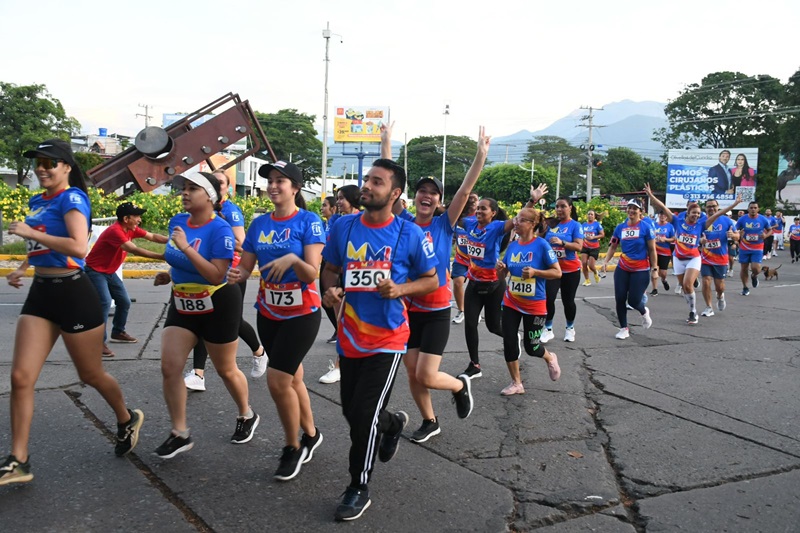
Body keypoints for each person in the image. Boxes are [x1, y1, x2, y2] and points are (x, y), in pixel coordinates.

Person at [1, 139, 143, 486]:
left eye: (50, 163)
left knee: (91, 374)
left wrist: (30, 231)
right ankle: (18, 460)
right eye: (38, 162)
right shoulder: (38, 200)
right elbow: (41, 243)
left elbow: (79, 246)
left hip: (73, 293)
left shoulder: (73, 198)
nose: (42, 169)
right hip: (41, 294)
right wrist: (22, 267)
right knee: (20, 378)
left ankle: (126, 419)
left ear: (65, 166)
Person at [321, 158, 438, 521]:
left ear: (395, 193)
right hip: (350, 335)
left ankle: (358, 486)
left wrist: (400, 288)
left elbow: (432, 280)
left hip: (388, 339)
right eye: (366, 179)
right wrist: (329, 292)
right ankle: (394, 423)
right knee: (352, 413)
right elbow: (330, 269)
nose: (366, 186)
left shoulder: (410, 234)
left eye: (377, 181)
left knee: (363, 416)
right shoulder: (343, 227)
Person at [385, 124, 483, 443]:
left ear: (439, 200)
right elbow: (388, 187)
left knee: (426, 373)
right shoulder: (403, 223)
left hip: (438, 309)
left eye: (433, 193)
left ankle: (458, 385)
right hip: (409, 309)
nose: (426, 195)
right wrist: (386, 143)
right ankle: (430, 421)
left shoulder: (443, 224)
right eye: (421, 191)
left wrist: (480, 155)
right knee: (412, 373)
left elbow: (466, 192)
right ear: (414, 197)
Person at [228, 161, 325, 481]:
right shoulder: (259, 225)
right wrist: (234, 274)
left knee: (278, 380)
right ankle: (311, 434)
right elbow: (245, 268)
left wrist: (293, 259)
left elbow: (312, 272)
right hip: (268, 312)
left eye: (280, 181)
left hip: (302, 314)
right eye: (269, 180)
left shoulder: (309, 222)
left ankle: (292, 446)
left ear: (295, 188)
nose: (272, 185)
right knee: (293, 378)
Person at [153, 172, 258, 459]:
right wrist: (170, 274)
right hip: (183, 301)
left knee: (225, 369)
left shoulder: (221, 230)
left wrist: (186, 246)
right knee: (170, 367)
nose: (185, 193)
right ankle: (179, 433)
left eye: (192, 189)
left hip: (218, 301)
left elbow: (214, 274)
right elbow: (176, 258)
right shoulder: (177, 222)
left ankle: (246, 414)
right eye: (183, 188)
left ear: (210, 196)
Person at [183, 169, 266, 392]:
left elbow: (241, 241)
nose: (217, 186)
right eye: (213, 182)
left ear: (227, 188)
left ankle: (259, 351)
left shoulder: (230, 211)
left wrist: (219, 229)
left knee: (233, 322)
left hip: (232, 272)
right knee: (204, 319)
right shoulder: (200, 211)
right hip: (206, 272)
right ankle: (198, 374)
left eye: (221, 183)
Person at [461, 184, 548, 378]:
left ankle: (512, 336)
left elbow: (519, 220)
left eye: (484, 208)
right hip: (474, 283)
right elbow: (450, 215)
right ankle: (474, 365)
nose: (479, 211)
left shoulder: (496, 227)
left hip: (494, 284)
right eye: (478, 207)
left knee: (493, 326)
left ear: (493, 213)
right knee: (470, 324)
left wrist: (532, 200)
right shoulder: (469, 223)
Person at [645, 185, 740, 324]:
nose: (696, 215)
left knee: (688, 284)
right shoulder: (677, 221)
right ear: (688, 213)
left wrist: (735, 204)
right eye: (693, 213)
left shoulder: (701, 224)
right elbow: (664, 207)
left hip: (694, 258)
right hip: (678, 258)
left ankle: (693, 313)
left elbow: (718, 214)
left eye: (698, 213)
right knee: (685, 287)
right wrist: (650, 195)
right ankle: (693, 309)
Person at [84, 202, 168, 357]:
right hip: (95, 271)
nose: (139, 220)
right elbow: (134, 250)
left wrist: (172, 240)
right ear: (126, 218)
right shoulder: (115, 231)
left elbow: (152, 236)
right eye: (136, 216)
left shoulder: (131, 229)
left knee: (124, 302)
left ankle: (118, 332)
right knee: (104, 302)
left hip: (108, 271)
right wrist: (161, 257)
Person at [495, 207, 562, 395]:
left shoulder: (541, 245)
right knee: (509, 340)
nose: (516, 222)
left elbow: (557, 272)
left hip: (535, 305)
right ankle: (516, 383)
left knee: (532, 347)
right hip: (511, 301)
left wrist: (535, 272)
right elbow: (503, 275)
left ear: (532, 225)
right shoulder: (514, 245)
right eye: (516, 218)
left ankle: (550, 358)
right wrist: (501, 269)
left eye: (522, 220)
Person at [318, 184, 361, 384]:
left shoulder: (362, 219)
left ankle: (341, 365)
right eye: (337, 198)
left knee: (352, 322)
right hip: (334, 271)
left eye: (343, 197)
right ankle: (342, 364)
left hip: (356, 273)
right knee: (342, 321)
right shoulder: (336, 220)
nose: (339, 202)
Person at [601, 199, 657, 339]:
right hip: (623, 267)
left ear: (640, 211)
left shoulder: (645, 227)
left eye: (635, 208)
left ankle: (644, 312)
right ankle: (623, 328)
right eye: (629, 208)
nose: (631, 211)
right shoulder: (620, 227)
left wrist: (655, 269)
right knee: (620, 298)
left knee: (633, 300)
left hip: (640, 269)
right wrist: (606, 261)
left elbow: (652, 249)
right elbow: (613, 246)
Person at [540, 197, 584, 343]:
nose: (559, 209)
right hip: (552, 269)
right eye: (557, 206)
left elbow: (579, 246)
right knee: (548, 298)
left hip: (570, 270)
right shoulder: (550, 224)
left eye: (563, 206)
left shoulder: (575, 225)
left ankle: (570, 328)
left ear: (570, 208)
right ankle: (548, 329)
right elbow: (540, 239)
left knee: (568, 301)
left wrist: (562, 243)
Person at [699, 199, 738, 316]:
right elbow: (696, 237)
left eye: (713, 206)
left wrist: (733, 235)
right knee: (706, 281)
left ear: (718, 207)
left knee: (719, 286)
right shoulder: (701, 221)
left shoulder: (726, 220)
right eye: (709, 206)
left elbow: (737, 236)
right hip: (705, 258)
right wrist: (701, 240)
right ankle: (708, 307)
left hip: (720, 258)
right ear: (705, 208)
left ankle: (720, 296)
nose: (711, 208)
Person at [451, 193, 479, 324]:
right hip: (461, 258)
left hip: (477, 260)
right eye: (470, 200)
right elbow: (452, 235)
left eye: (476, 200)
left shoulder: (481, 219)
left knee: (475, 288)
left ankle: (474, 311)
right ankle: (462, 310)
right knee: (457, 283)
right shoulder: (458, 217)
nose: (473, 202)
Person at [735, 201, 772, 296]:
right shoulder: (742, 219)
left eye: (755, 208)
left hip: (758, 247)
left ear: (758, 209)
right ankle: (745, 287)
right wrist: (738, 234)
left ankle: (754, 275)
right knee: (744, 268)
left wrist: (765, 235)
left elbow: (770, 230)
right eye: (751, 208)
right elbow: (735, 230)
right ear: (748, 209)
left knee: (756, 268)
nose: (753, 209)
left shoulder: (763, 219)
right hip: (744, 246)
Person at [650, 211, 675, 296]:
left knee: (663, 273)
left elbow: (673, 238)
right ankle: (654, 289)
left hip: (665, 252)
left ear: (667, 216)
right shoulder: (653, 224)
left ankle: (664, 280)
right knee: (654, 269)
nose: (662, 216)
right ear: (658, 215)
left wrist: (665, 239)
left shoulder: (670, 226)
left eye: (664, 215)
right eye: (661, 214)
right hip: (654, 251)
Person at [580, 209, 604, 287]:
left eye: (591, 214)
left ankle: (595, 272)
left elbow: (602, 234)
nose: (590, 216)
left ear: (594, 216)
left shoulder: (597, 225)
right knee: (583, 263)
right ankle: (587, 280)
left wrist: (594, 237)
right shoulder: (583, 225)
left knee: (591, 265)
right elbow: (580, 234)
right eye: (589, 214)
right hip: (585, 246)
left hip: (594, 247)